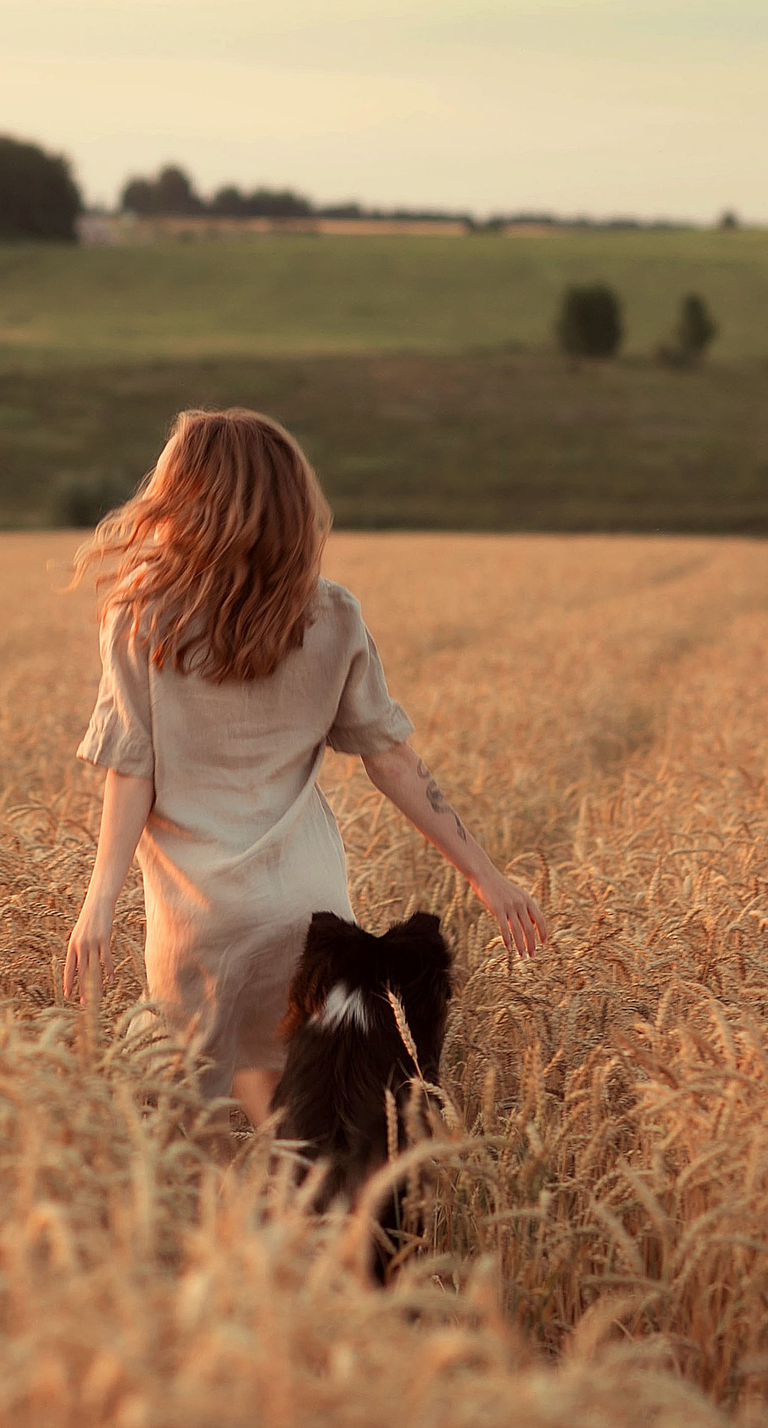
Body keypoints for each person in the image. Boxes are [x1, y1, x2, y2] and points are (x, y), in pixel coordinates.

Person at [61, 408, 551, 1124]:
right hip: (309, 913)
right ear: (292, 504)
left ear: (181, 497)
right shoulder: (332, 616)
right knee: (308, 1120)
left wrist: (99, 899)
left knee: (204, 1129)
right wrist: (485, 873)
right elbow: (394, 763)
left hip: (197, 921)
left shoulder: (141, 616)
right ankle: (321, 1226)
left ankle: (241, 1231)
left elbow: (131, 767)